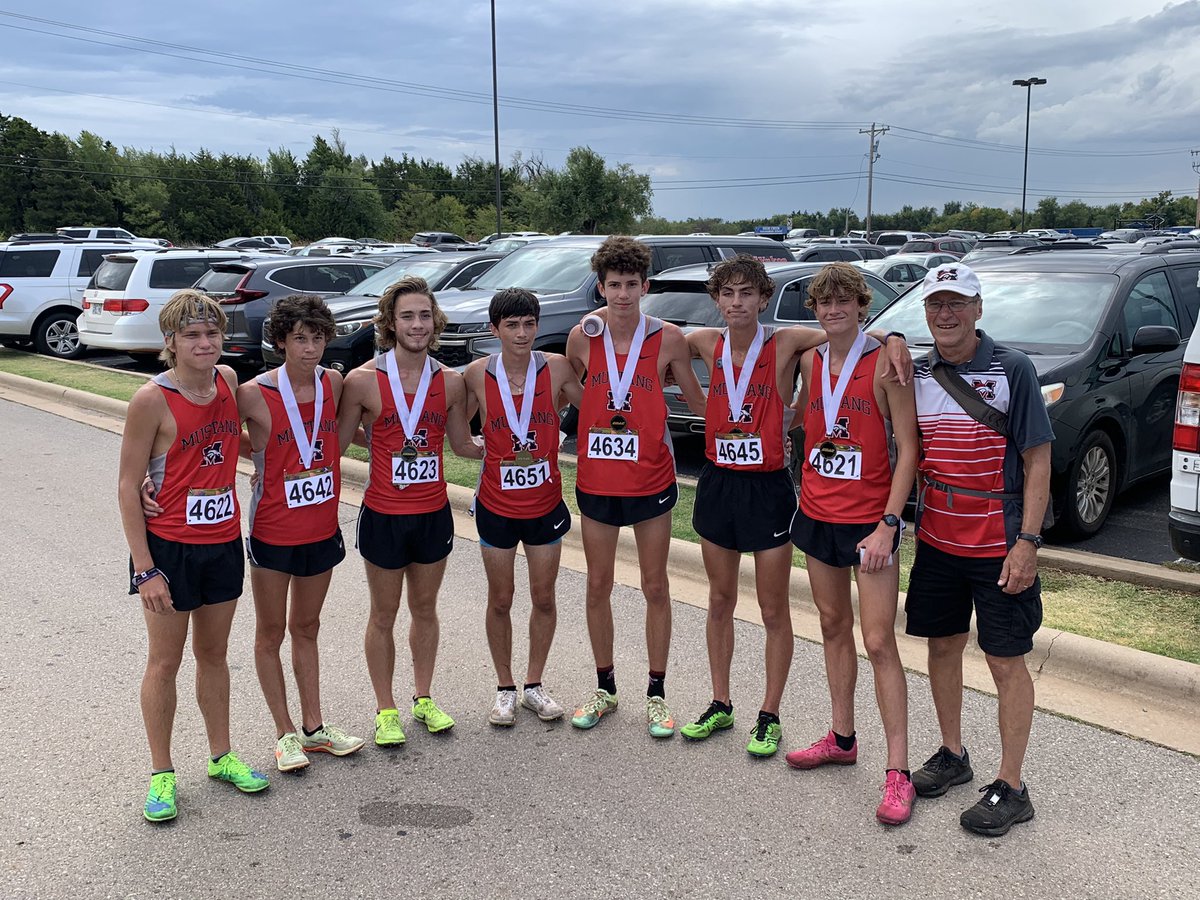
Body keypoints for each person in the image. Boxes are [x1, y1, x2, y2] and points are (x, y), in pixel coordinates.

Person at [904, 262, 1052, 837]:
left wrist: (1029, 543)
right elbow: (840, 334)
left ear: (978, 308)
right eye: (936, 304)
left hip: (998, 542)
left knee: (1004, 661)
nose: (946, 314)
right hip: (938, 539)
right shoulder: (916, 370)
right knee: (942, 647)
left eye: (957, 303)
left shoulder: (1014, 369)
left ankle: (1012, 786)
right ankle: (953, 753)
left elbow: (1039, 460)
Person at [118, 289, 269, 822]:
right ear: (170, 342)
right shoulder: (151, 400)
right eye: (192, 335)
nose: (204, 343)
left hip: (224, 542)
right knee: (165, 661)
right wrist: (145, 569)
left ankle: (221, 757)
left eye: (212, 334)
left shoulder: (228, 382)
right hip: (170, 550)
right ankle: (161, 773)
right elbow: (126, 486)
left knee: (214, 654)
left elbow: (245, 436)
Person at [783, 262, 919, 826]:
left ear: (862, 306)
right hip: (816, 514)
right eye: (824, 303)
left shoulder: (886, 364)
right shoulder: (813, 362)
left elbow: (909, 450)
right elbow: (810, 428)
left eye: (845, 302)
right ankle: (842, 737)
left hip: (870, 523)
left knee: (879, 640)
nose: (833, 311)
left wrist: (890, 522)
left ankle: (899, 771)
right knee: (832, 626)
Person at [565, 235, 706, 738]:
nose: (622, 295)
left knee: (654, 585)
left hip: (651, 477)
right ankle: (604, 686)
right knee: (598, 583)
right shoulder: (583, 336)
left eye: (631, 285)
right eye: (613, 285)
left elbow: (696, 400)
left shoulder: (668, 337)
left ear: (645, 286)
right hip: (598, 479)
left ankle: (656, 693)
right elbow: (575, 393)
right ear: (600, 288)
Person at [337, 276, 480, 746]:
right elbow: (334, 444)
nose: (417, 325)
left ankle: (423, 697)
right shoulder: (361, 380)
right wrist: (266, 463)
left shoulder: (452, 382)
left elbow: (461, 444)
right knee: (383, 613)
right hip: (383, 514)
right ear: (390, 324)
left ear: (435, 321)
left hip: (433, 513)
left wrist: (524, 447)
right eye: (407, 316)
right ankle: (385, 709)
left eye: (424, 315)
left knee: (425, 609)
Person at [238, 294, 364, 771]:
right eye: (299, 339)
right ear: (281, 341)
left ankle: (314, 728)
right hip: (273, 528)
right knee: (270, 631)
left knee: (307, 627)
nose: (310, 348)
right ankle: (283, 733)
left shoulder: (334, 383)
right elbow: (222, 436)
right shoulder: (252, 392)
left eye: (317, 338)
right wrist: (264, 459)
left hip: (321, 527)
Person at [463, 288, 583, 726]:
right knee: (500, 598)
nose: (521, 333)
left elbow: (591, 408)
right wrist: (495, 453)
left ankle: (534, 685)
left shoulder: (556, 368)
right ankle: (504, 689)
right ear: (495, 329)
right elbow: (458, 438)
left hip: (545, 504)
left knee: (544, 597)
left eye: (529, 323)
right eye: (511, 325)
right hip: (496, 505)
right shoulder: (477, 374)